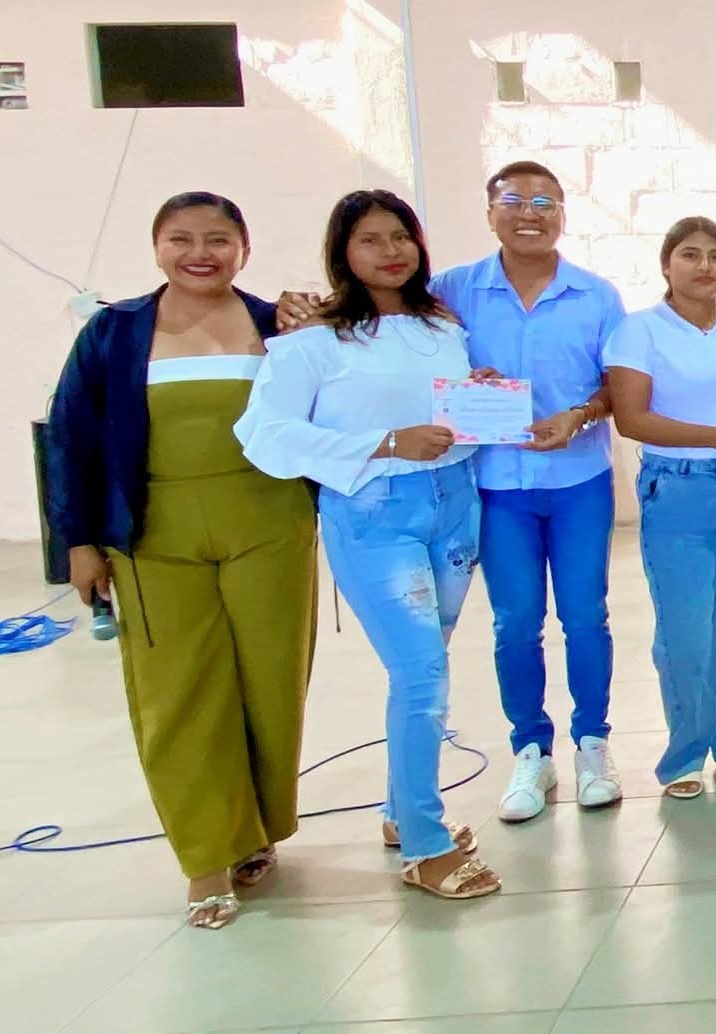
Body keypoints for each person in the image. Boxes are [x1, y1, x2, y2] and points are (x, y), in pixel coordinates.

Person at [279, 161, 628, 823]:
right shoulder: (449, 293)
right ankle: (531, 749)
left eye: (545, 202)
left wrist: (579, 415)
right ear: (490, 211)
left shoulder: (597, 296)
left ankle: (593, 743)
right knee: (515, 622)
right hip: (492, 486)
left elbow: (619, 385)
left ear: (563, 213)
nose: (529, 213)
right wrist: (302, 309)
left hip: (578, 480)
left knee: (586, 615)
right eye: (514, 200)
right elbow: (382, 328)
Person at [43, 192, 317, 930]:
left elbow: (331, 406)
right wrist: (78, 542)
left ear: (244, 249)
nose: (201, 253)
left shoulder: (277, 326)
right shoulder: (114, 332)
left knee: (270, 683)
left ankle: (254, 831)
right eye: (181, 239)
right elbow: (70, 437)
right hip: (152, 538)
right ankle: (206, 856)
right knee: (178, 692)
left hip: (270, 525)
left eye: (218, 239)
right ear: (157, 247)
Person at [236, 190, 499, 901]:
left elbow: (432, 403)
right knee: (422, 675)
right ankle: (425, 844)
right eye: (370, 240)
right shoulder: (313, 341)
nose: (390, 252)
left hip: (454, 505)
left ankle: (399, 810)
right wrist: (385, 444)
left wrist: (474, 393)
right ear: (342, 253)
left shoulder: (442, 325)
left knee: (425, 666)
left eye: (400, 236)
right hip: (375, 515)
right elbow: (265, 434)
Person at [604, 217, 716, 800]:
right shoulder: (639, 331)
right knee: (686, 630)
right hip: (678, 490)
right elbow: (633, 419)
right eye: (690, 254)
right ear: (666, 264)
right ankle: (685, 752)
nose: (705, 266)